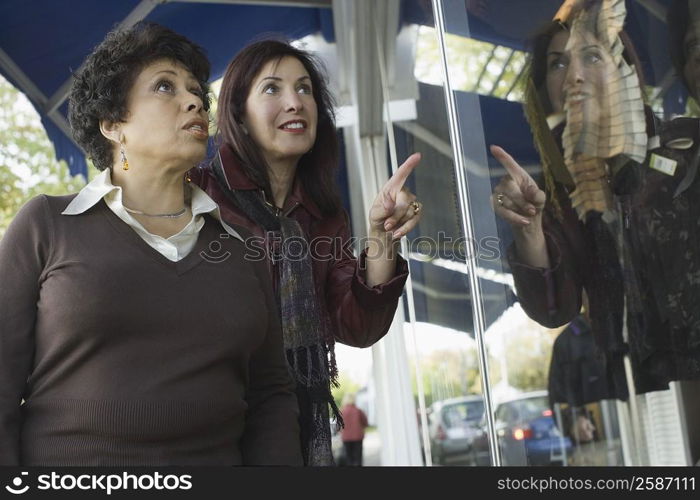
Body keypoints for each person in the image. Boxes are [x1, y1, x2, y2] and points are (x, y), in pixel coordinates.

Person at [0, 22, 301, 466]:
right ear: (112, 124)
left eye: (197, 90)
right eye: (166, 87)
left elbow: (271, 397)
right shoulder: (46, 224)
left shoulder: (244, 247)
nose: (196, 100)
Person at [191, 39, 421, 465]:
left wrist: (381, 235)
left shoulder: (324, 215)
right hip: (207, 427)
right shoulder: (196, 191)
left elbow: (357, 327)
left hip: (292, 428)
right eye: (272, 89)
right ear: (238, 112)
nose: (295, 103)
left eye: (305, 90)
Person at [490, 0, 674, 396]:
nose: (574, 75)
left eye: (591, 55)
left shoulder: (682, 153)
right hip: (645, 391)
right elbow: (554, 309)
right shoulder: (553, 199)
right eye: (557, 63)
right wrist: (530, 231)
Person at [339, 393, 368, 466]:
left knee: (349, 459)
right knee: (358, 459)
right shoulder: (358, 411)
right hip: (357, 437)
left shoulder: (341, 411)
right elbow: (365, 422)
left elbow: (338, 425)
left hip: (346, 438)